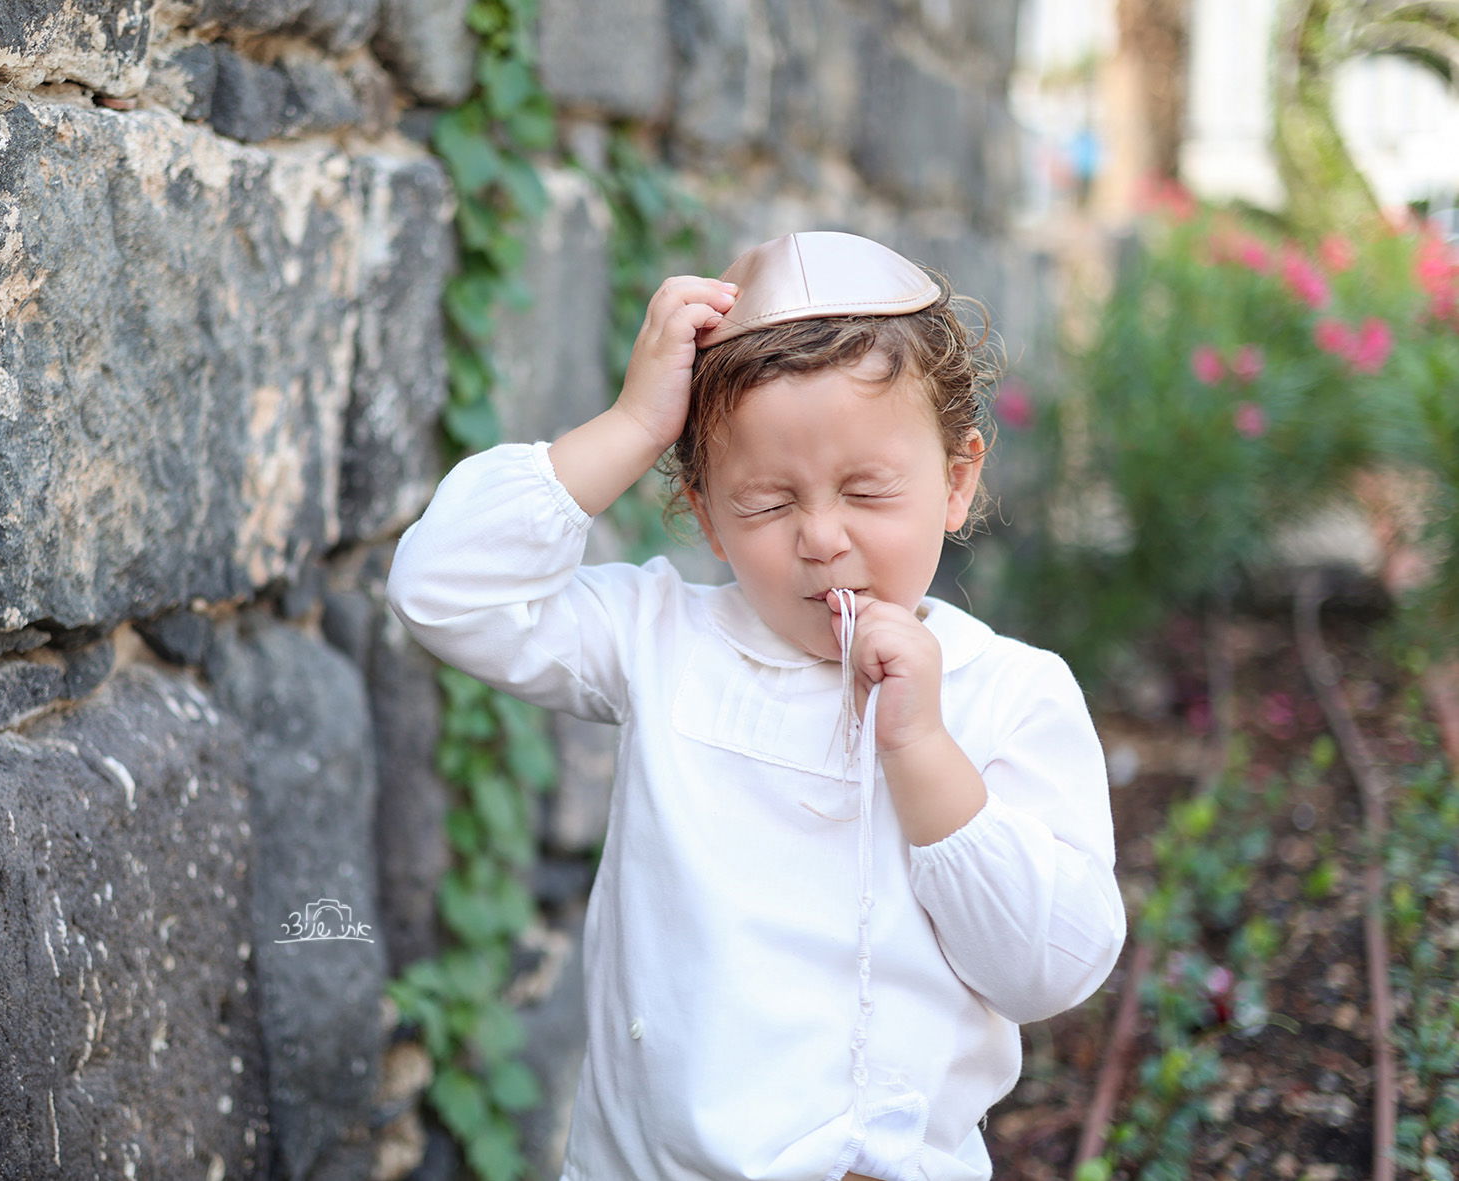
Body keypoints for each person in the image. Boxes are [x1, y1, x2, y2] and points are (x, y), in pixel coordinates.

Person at [387, 231, 1126, 1181]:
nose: (822, 537)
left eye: (867, 489)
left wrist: (925, 751)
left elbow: (1052, 966)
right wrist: (632, 424)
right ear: (704, 511)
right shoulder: (662, 639)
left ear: (956, 478)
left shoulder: (1010, 695)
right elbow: (444, 589)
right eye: (769, 504)